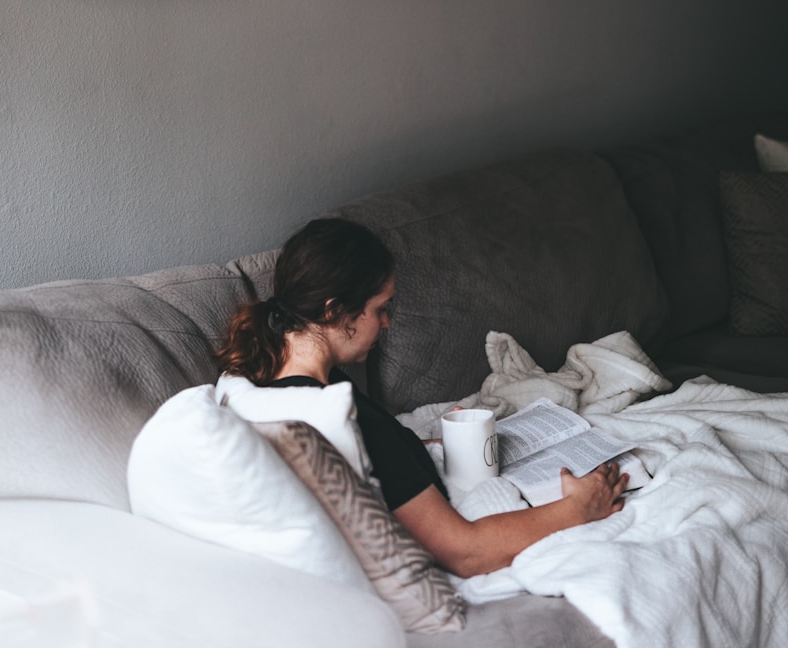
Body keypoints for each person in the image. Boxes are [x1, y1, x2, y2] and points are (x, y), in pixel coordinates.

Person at [215, 216, 627, 579]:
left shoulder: (260, 381)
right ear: (334, 312)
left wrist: (426, 447)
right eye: (380, 309)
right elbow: (465, 551)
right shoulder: (343, 417)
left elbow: (386, 467)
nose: (387, 322)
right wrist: (580, 508)